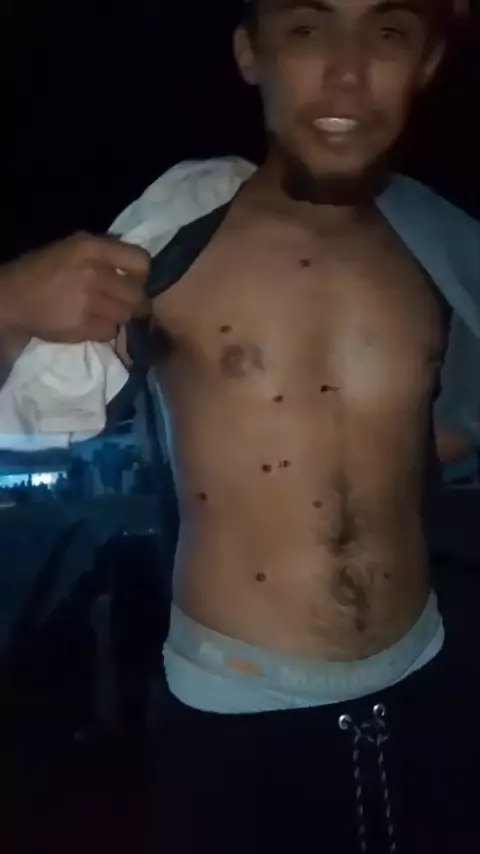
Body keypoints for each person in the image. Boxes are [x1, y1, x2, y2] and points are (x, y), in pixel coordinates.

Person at [1, 1, 479, 851]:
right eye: (307, 28)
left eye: (389, 33)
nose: (347, 70)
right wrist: (6, 308)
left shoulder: (441, 248)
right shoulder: (177, 234)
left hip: (425, 675)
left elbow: (441, 436)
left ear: (428, 64)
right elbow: (32, 417)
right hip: (238, 712)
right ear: (250, 52)